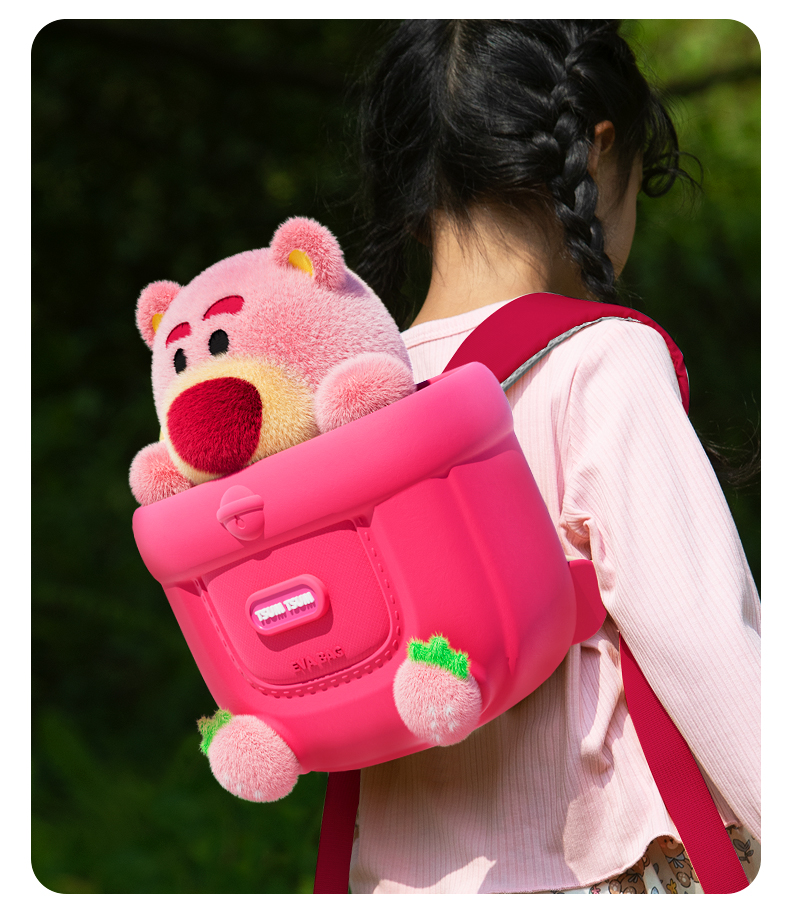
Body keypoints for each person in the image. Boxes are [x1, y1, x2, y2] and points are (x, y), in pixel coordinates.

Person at [348, 20, 760, 894]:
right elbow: (703, 641)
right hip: (605, 869)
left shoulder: (345, 396)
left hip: (395, 880)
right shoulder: (600, 359)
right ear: (598, 152)